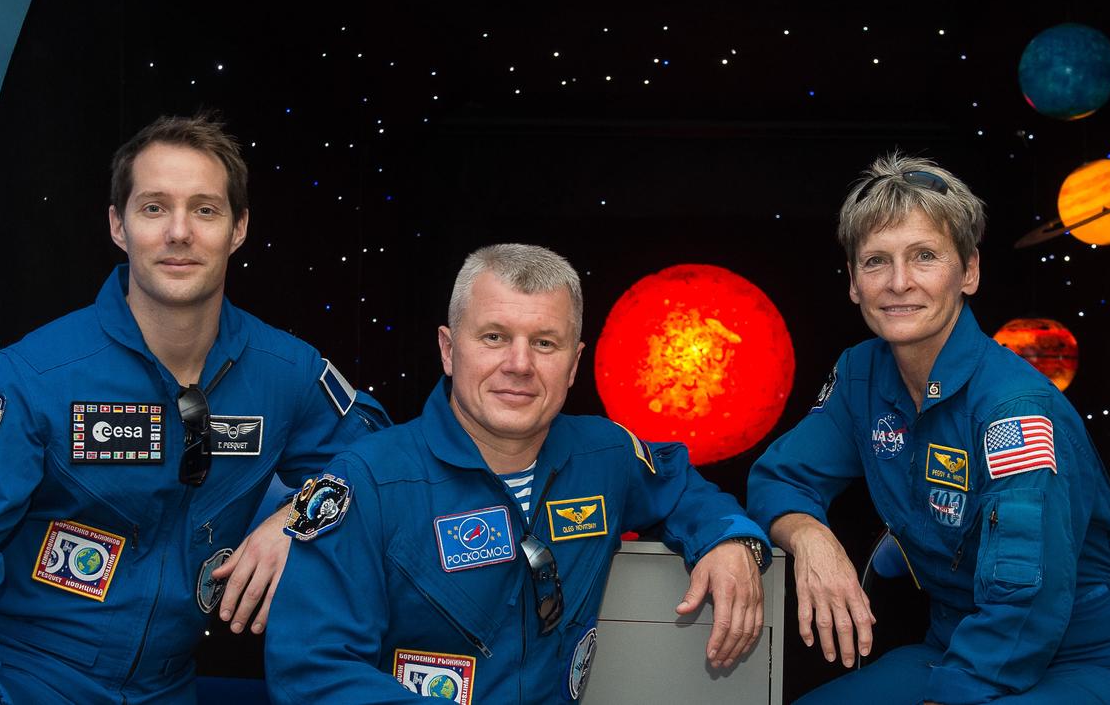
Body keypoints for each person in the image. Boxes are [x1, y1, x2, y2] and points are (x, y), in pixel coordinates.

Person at [0, 114, 390, 705]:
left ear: (238, 229)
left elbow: (382, 461)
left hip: (168, 686)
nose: (179, 233)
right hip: (26, 680)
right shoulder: (33, 377)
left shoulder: (283, 372)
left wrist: (299, 518)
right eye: (154, 208)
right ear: (118, 225)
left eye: (205, 210)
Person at [747, 152, 1110, 704]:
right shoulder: (862, 374)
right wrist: (811, 536)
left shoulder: (1013, 410)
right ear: (853, 282)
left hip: (1081, 661)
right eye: (876, 261)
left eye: (924, 256)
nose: (899, 283)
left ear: (969, 271)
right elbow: (778, 478)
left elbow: (1027, 599)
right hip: (956, 643)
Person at [265, 243, 772, 703]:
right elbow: (312, 669)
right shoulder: (369, 481)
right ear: (448, 348)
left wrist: (728, 542)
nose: (519, 364)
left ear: (574, 365)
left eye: (545, 343)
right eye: (494, 336)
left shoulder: (604, 454)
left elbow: (682, 489)